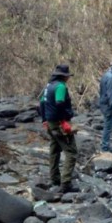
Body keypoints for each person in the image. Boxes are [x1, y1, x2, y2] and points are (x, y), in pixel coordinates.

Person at [39, 64, 79, 193]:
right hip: (59, 122)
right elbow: (60, 102)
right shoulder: (61, 86)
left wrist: (44, 120)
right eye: (67, 76)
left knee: (54, 150)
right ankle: (65, 183)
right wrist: (65, 119)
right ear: (64, 76)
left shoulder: (48, 86)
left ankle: (54, 179)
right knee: (71, 152)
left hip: (50, 122)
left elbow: (41, 103)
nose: (68, 79)